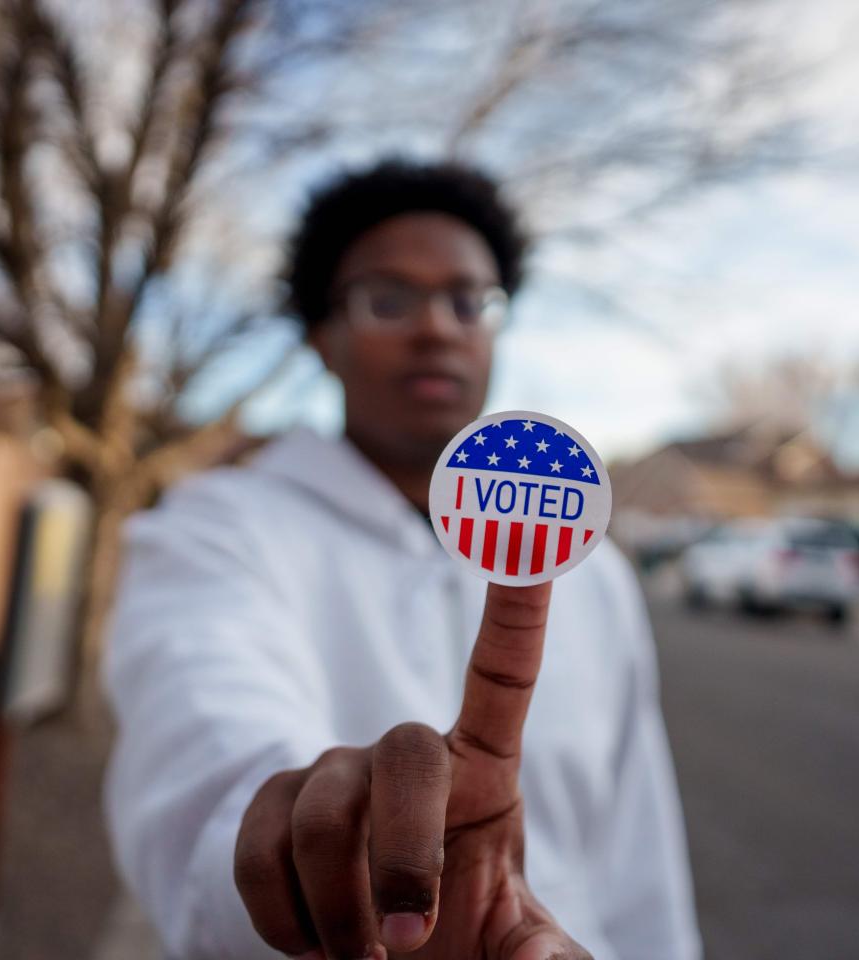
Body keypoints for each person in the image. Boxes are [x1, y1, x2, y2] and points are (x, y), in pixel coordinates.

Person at [103, 159, 700, 960]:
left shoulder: (591, 573)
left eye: (469, 301)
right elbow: (204, 750)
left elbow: (639, 856)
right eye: (388, 297)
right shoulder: (217, 531)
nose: (438, 328)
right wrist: (309, 841)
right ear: (323, 337)